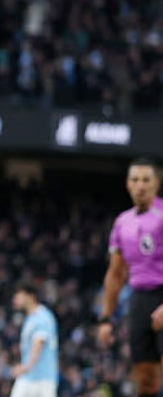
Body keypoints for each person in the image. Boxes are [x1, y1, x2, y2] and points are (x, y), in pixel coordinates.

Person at [97, 158, 163, 397]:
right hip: (140, 299)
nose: (140, 185)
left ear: (157, 183)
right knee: (145, 378)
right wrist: (106, 318)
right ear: (127, 184)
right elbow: (116, 274)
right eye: (135, 180)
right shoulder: (122, 222)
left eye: (146, 180)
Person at [10, 283, 59, 397]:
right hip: (28, 377)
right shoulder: (30, 318)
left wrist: (25, 367)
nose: (15, 300)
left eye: (18, 296)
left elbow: (38, 344)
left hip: (43, 379)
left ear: (30, 296)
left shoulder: (42, 317)